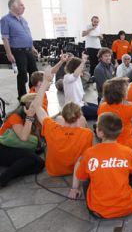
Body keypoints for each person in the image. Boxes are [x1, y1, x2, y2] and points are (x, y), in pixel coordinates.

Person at [32, 68, 93, 199]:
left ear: (62, 117)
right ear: (79, 117)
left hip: (54, 171)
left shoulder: (51, 127)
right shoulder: (87, 134)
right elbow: (83, 158)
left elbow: (37, 106)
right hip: (74, 171)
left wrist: (45, 82)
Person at [76, 112, 132, 219]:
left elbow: (81, 176)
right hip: (128, 207)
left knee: (86, 180)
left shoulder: (89, 153)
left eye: (96, 125)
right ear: (120, 130)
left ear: (100, 132)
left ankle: (97, 203)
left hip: (98, 211)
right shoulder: (127, 151)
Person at [0, 94, 44, 187]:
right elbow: (24, 137)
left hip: (13, 146)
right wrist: (30, 116)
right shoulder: (15, 116)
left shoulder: (26, 116)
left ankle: (15, 169)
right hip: (2, 147)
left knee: (39, 164)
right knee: (35, 160)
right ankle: (2, 179)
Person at [1, 0, 38, 99]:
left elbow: (27, 34)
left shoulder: (23, 19)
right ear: (13, 6)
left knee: (34, 73)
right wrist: (9, 53)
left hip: (28, 50)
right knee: (22, 74)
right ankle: (22, 97)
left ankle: (33, 93)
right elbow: (5, 38)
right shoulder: (6, 20)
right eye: (21, 5)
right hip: (18, 52)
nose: (24, 7)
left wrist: (32, 47)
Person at [63, 54, 98, 120]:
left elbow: (81, 92)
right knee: (99, 112)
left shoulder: (78, 77)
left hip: (81, 104)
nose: (83, 69)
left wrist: (84, 102)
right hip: (74, 108)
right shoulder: (67, 77)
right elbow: (74, 76)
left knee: (100, 108)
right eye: (81, 67)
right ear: (76, 67)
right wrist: (83, 62)